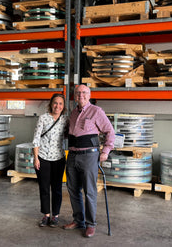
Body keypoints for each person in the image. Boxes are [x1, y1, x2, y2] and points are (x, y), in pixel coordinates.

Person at [63, 84, 115, 238]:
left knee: (89, 191)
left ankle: (91, 224)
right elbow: (69, 134)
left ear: (89, 95)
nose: (81, 95)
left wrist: (106, 151)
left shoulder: (96, 111)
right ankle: (78, 220)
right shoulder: (72, 113)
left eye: (84, 92)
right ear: (74, 95)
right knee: (73, 189)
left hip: (89, 156)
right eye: (78, 93)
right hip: (72, 155)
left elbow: (109, 132)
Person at [32, 93, 68, 228]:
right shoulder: (43, 118)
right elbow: (36, 138)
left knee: (57, 188)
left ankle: (55, 216)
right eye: (55, 103)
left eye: (60, 104)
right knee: (44, 188)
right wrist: (36, 158)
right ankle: (46, 215)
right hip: (43, 158)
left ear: (63, 106)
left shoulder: (66, 120)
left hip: (59, 158)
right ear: (50, 104)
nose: (57, 106)